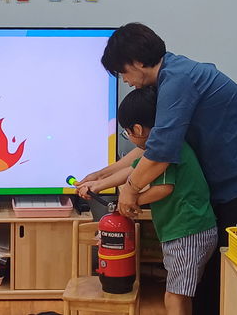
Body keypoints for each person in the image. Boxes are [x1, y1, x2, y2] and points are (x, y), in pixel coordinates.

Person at [78, 22, 237, 315]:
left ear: (137, 61)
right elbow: (151, 146)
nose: (124, 80)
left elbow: (159, 153)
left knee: (234, 280)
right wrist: (102, 175)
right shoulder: (170, 77)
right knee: (210, 282)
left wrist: (130, 190)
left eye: (122, 71)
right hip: (233, 186)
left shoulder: (178, 81)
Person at [77, 86, 217, 315]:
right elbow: (132, 171)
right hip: (187, 229)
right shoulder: (162, 145)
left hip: (188, 231)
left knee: (174, 295)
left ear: (138, 129)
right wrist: (96, 184)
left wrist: (132, 201)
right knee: (180, 294)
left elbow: (163, 188)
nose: (129, 138)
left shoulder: (164, 150)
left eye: (127, 133)